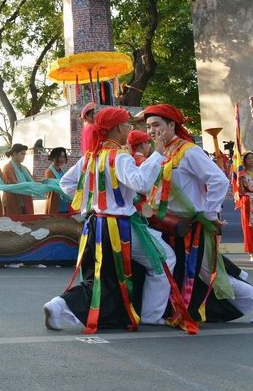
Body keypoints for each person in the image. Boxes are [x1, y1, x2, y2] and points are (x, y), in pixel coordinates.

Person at [43, 107, 184, 333]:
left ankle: (61, 304)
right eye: (127, 125)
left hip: (95, 224)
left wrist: (91, 202)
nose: (129, 129)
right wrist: (157, 154)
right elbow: (141, 183)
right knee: (165, 258)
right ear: (118, 128)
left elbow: (66, 184)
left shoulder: (90, 157)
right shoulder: (120, 156)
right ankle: (151, 314)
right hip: (120, 227)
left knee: (103, 276)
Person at [143, 104, 253, 325]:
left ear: (171, 125)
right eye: (148, 126)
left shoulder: (189, 151)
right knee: (175, 272)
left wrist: (210, 212)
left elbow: (218, 180)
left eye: (156, 125)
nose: (151, 131)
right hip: (168, 225)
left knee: (207, 273)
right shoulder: (161, 153)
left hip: (192, 226)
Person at [1, 144, 34, 216]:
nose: (24, 156)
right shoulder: (7, 168)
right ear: (14, 154)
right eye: (22, 154)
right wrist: (29, 186)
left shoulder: (24, 168)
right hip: (14, 200)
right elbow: (15, 184)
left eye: (24, 154)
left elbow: (32, 181)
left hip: (26, 200)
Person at [43, 147, 70, 216]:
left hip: (65, 205)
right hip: (55, 205)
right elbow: (54, 188)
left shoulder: (62, 172)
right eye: (60, 156)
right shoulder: (49, 172)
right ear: (54, 157)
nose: (62, 159)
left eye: (63, 157)